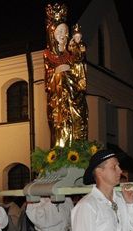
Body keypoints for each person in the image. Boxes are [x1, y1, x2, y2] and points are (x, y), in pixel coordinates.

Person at [44, 3, 88, 147]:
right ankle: (61, 151)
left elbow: (79, 72)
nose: (63, 35)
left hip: (73, 95)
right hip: (59, 98)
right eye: (59, 32)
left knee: (78, 119)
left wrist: (78, 63)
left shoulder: (72, 54)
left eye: (65, 31)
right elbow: (48, 79)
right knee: (60, 124)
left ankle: (78, 148)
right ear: (53, 34)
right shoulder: (48, 53)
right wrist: (61, 75)